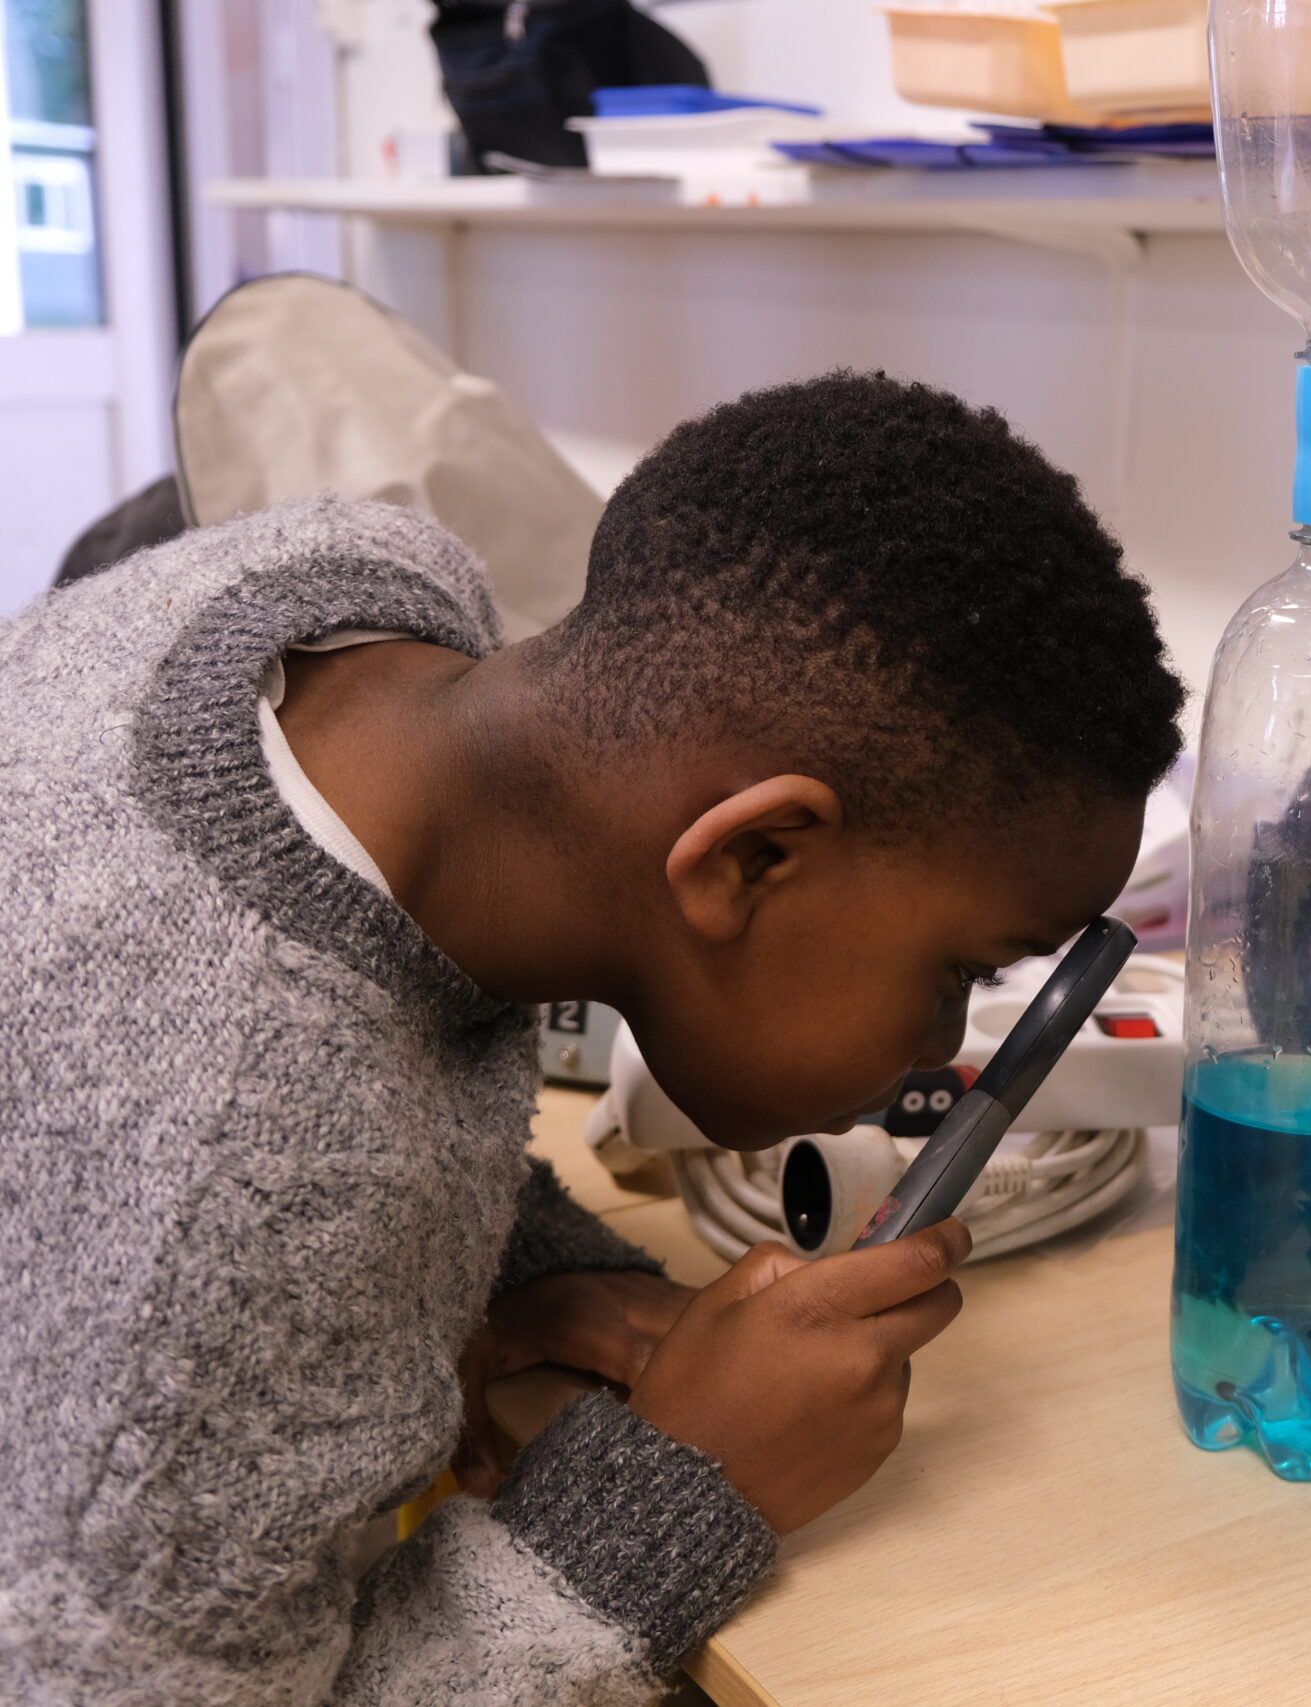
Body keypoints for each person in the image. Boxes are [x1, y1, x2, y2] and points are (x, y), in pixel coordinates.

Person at [0, 371, 1186, 1703]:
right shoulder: (225, 1188)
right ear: (751, 857)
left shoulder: (346, 590)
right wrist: (676, 1492)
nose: (942, 1045)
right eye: (958, 972)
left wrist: (507, 1259)